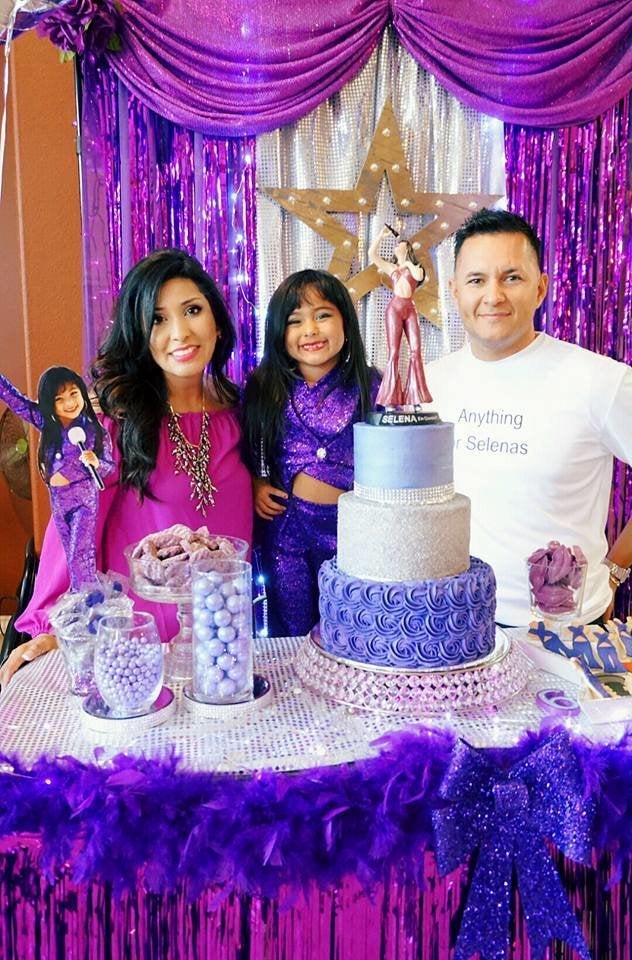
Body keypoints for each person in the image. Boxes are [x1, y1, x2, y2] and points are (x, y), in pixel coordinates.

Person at [0, 249, 253, 687]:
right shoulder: (114, 423)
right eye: (157, 319)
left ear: (216, 319)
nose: (180, 332)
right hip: (138, 658)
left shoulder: (239, 415)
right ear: (138, 331)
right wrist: (58, 624)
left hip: (224, 652)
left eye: (192, 310)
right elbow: (75, 531)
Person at [425, 208, 632, 626]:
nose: (493, 295)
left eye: (511, 277)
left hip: (567, 629)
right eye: (476, 280)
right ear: (454, 291)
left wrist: (615, 570)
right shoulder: (430, 384)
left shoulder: (600, 381)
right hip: (453, 621)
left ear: (540, 289)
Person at [242, 269, 378, 637]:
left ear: (346, 323)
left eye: (323, 315)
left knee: (348, 622)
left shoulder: (370, 384)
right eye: (295, 321)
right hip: (286, 531)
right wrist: (256, 483)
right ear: (279, 333)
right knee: (292, 620)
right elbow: (249, 448)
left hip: (350, 535)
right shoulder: (265, 387)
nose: (311, 330)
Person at [0, 367, 113, 590]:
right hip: (59, 502)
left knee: (80, 551)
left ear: (82, 392)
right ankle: (83, 592)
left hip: (84, 502)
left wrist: (96, 462)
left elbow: (109, 467)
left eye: (73, 394)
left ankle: (86, 596)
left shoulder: (94, 431)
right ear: (49, 404)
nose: (69, 403)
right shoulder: (46, 423)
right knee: (70, 554)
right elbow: (17, 401)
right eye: (59, 399)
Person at [368, 224, 432, 408]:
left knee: (415, 351)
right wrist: (380, 235)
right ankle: (390, 399)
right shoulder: (392, 268)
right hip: (395, 308)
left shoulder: (412, 266)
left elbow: (418, 275)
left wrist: (406, 262)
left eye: (400, 243)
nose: (396, 245)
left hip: (410, 308)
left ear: (407, 247)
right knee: (394, 352)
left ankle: (415, 397)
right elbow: (373, 255)